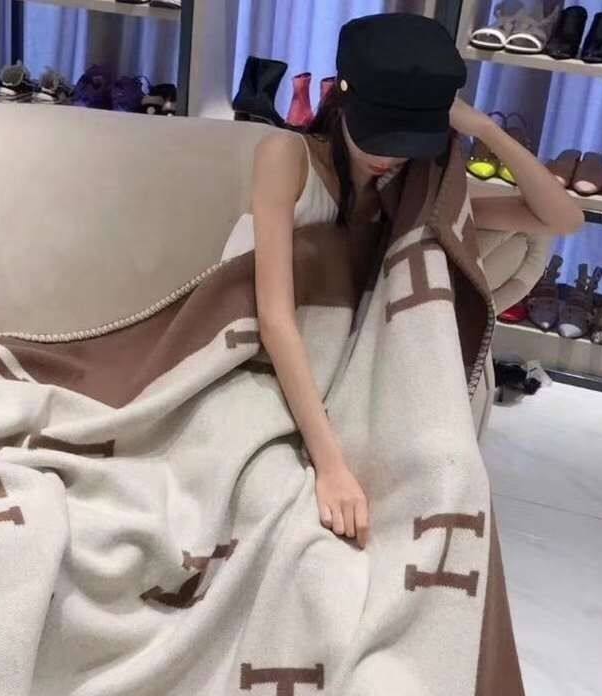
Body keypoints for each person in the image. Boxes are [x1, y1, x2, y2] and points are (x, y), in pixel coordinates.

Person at [247, 13, 583, 545]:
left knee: (440, 480)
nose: (390, 156)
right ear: (341, 96)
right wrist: (330, 464)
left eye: (408, 139)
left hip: (362, 366)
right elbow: (275, 317)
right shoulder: (286, 156)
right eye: (379, 135)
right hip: (276, 358)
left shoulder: (418, 186)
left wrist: (487, 130)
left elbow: (563, 219)